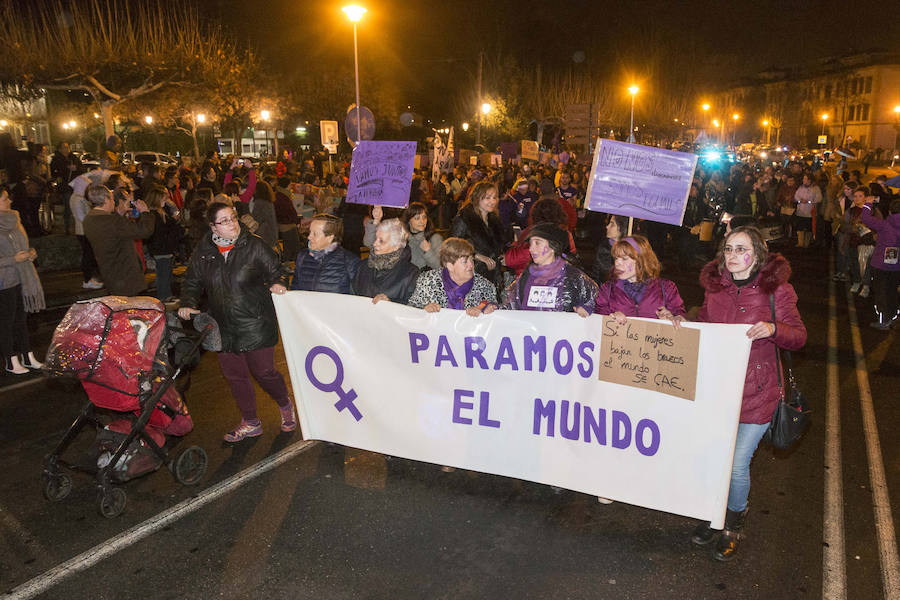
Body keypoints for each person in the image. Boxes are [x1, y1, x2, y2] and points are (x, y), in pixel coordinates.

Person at [690, 226, 806, 561]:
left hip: (759, 390)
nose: (732, 256)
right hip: (719, 391)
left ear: (756, 253)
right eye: (728, 249)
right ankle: (714, 517)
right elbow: (704, 326)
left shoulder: (777, 291)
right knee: (714, 459)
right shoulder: (716, 290)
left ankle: (733, 524)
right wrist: (679, 322)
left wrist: (773, 329)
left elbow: (799, 336)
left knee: (737, 464)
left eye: (741, 249)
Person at [178, 202, 294, 441]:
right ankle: (251, 422)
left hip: (255, 321)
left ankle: (285, 405)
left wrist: (279, 283)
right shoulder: (204, 250)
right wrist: (187, 302)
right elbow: (191, 279)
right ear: (212, 227)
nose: (232, 224)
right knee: (235, 375)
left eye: (233, 217)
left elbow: (277, 270)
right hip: (222, 325)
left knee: (264, 372)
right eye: (224, 221)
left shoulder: (254, 245)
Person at [500, 222, 597, 316]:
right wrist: (493, 310)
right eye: (531, 243)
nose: (531, 249)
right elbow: (510, 308)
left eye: (537, 243)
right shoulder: (525, 277)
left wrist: (587, 309)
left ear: (553, 247)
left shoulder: (574, 277)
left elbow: (597, 302)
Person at [0, 186, 45, 374]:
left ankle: (27, 355)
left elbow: (22, 244)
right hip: (4, 280)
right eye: (5, 198)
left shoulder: (14, 218)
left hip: (21, 276)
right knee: (6, 321)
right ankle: (10, 360)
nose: (10, 201)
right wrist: (13, 259)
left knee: (21, 319)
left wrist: (30, 253)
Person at [82, 183, 155, 296]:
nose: (113, 202)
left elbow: (114, 235)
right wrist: (145, 212)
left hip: (110, 274)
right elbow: (144, 231)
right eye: (111, 199)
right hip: (125, 277)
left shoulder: (89, 220)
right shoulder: (111, 221)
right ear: (106, 200)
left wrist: (120, 213)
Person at [595, 235, 686, 325]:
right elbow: (598, 318)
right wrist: (610, 318)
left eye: (624, 259)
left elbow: (680, 316)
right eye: (616, 258)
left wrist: (673, 317)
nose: (617, 263)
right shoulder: (607, 290)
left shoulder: (667, 288)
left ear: (641, 260)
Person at [407, 237, 497, 314]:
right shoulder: (428, 282)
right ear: (450, 265)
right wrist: (424, 309)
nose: (471, 265)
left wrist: (484, 310)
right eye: (465, 261)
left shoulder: (485, 286)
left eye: (471, 259)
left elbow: (495, 310)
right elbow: (411, 309)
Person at [450, 181, 509, 288]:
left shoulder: (494, 220)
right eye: (487, 198)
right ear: (477, 198)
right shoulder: (464, 219)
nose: (492, 201)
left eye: (495, 197)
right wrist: (476, 256)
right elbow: (453, 247)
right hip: (471, 274)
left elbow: (498, 246)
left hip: (492, 275)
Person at [353, 218, 420, 304]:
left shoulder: (410, 273)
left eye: (381, 241)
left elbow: (414, 306)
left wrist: (390, 302)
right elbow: (352, 296)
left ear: (396, 246)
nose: (374, 244)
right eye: (375, 238)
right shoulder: (363, 266)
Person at [290, 214, 361, 293]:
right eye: (310, 232)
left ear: (330, 238)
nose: (309, 237)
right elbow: (295, 288)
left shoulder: (349, 261)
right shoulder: (303, 256)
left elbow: (359, 293)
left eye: (315, 234)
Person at [365, 202, 443, 271]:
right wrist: (376, 220)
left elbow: (440, 267)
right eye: (417, 218)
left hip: (424, 282)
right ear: (409, 220)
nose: (422, 221)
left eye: (424, 217)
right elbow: (369, 243)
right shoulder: (401, 235)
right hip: (402, 279)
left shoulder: (434, 238)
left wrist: (428, 251)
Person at [860, 197, 900, 329]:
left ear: (889, 211)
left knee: (881, 292)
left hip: (881, 265)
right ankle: (893, 316)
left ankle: (883, 320)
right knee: (892, 291)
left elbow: (865, 218)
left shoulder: (884, 224)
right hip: (896, 266)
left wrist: (868, 204)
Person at [144, 187, 184, 302]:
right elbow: (160, 232)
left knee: (166, 273)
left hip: (166, 247)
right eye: (163, 198)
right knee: (163, 274)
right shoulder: (153, 215)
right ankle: (164, 296)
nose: (165, 201)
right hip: (161, 248)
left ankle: (167, 294)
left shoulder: (162, 212)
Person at [592, 214, 628, 284]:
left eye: (612, 224)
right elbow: (599, 275)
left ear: (621, 228)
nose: (607, 226)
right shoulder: (604, 248)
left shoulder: (632, 250)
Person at [793, 173, 821, 248]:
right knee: (800, 227)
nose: (803, 180)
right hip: (800, 211)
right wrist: (800, 200)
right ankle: (800, 242)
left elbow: (818, 198)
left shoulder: (815, 188)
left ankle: (807, 243)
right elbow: (796, 196)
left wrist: (809, 201)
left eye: (805, 179)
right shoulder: (801, 188)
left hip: (810, 212)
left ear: (809, 180)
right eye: (803, 179)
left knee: (809, 228)